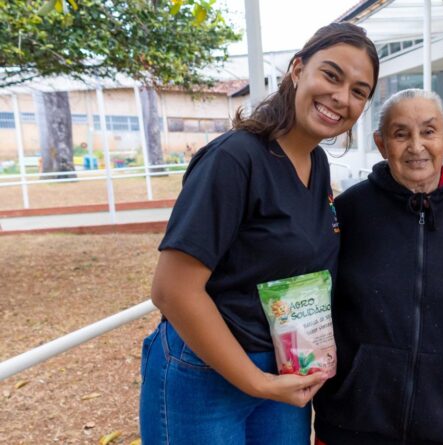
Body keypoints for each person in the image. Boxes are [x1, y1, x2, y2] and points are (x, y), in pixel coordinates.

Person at [138, 23, 378, 445]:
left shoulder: (317, 166)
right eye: (332, 75)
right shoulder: (234, 159)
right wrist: (256, 382)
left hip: (281, 373)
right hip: (206, 374)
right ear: (297, 69)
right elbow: (172, 290)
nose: (341, 98)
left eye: (359, 91)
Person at [313, 89, 443, 445]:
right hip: (354, 420)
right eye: (400, 134)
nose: (416, 146)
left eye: (428, 131)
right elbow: (323, 302)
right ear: (381, 144)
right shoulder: (350, 210)